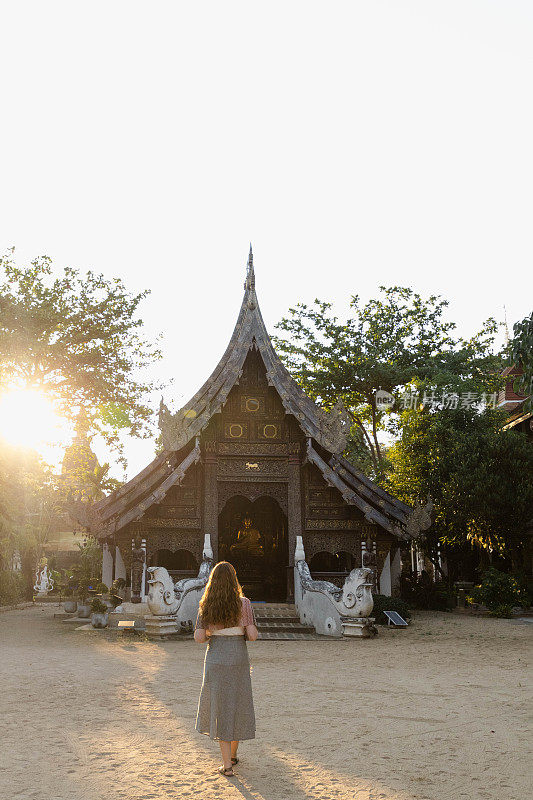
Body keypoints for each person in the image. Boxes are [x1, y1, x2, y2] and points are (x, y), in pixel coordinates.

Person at [194, 561, 258, 778]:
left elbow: (199, 637)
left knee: (221, 707)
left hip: (216, 658)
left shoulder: (207, 604)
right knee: (237, 703)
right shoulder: (244, 603)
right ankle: (232, 756)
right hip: (238, 658)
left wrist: (214, 632)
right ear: (234, 580)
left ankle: (227, 765)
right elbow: (252, 635)